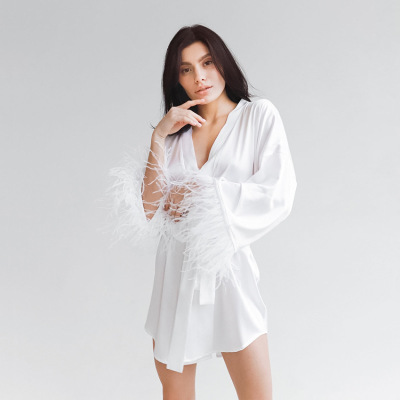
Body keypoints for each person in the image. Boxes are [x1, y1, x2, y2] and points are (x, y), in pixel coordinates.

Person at [107, 24, 297, 400]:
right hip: (174, 276)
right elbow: (148, 209)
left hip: (228, 275)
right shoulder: (174, 136)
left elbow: (279, 191)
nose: (200, 77)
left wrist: (202, 196)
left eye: (207, 62)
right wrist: (158, 136)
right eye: (186, 69)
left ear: (223, 62)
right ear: (176, 79)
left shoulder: (257, 117)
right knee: (175, 392)